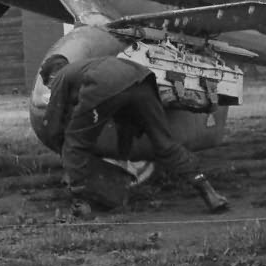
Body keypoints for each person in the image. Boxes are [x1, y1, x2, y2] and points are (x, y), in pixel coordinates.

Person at [40, 54, 229, 217]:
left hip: (105, 84)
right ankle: (210, 194)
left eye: (48, 86)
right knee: (164, 143)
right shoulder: (87, 66)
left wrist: (64, 152)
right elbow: (123, 124)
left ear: (52, 76)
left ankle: (80, 205)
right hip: (141, 79)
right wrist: (121, 162)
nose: (51, 89)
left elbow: (53, 123)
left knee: (75, 143)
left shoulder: (61, 77)